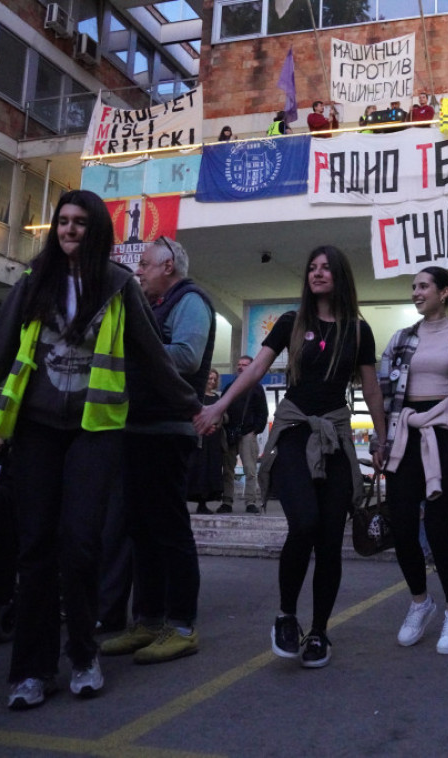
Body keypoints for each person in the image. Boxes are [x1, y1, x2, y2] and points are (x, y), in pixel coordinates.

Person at [0, 190, 200, 709]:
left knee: (81, 543)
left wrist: (194, 407)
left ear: (97, 230)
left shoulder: (118, 285)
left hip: (95, 430)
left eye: (79, 222)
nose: (68, 230)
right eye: (62, 221)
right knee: (35, 548)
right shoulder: (34, 279)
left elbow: (153, 357)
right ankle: (32, 671)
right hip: (37, 429)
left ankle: (84, 655)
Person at [194, 246, 386, 669]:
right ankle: (286, 616)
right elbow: (255, 370)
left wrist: (382, 439)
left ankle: (319, 631)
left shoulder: (358, 330)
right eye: (312, 268)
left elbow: (372, 389)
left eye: (326, 268)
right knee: (305, 523)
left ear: (340, 276)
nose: (317, 274)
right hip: (296, 433)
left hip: (335, 436)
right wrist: (219, 405)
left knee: (330, 539)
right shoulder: (291, 323)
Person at [101, 235, 215, 665]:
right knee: (141, 531)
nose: (139, 271)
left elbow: (186, 357)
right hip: (138, 430)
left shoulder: (191, 301)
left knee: (169, 530)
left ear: (169, 266)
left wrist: (129, 348)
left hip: (168, 432)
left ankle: (182, 626)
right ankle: (148, 621)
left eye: (146, 264)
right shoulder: (152, 306)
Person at [380, 266, 448, 656]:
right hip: (406, 433)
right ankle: (419, 602)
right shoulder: (401, 338)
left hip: (447, 434)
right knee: (402, 525)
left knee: (439, 528)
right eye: (413, 287)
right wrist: (381, 437)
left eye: (423, 286)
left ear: (444, 293)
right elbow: (384, 388)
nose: (416, 292)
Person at [219, 355, 269, 514]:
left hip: (247, 433)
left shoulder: (256, 388)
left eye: (245, 365)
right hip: (230, 433)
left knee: (250, 470)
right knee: (228, 470)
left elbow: (263, 413)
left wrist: (255, 430)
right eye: (239, 364)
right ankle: (227, 501)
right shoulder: (229, 387)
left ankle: (250, 502)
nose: (240, 367)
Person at [190, 369, 224, 515]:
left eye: (214, 379)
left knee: (209, 469)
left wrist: (217, 423)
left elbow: (222, 416)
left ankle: (203, 502)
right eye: (209, 378)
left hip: (213, 439)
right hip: (199, 438)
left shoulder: (217, 398)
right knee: (197, 468)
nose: (211, 381)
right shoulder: (197, 397)